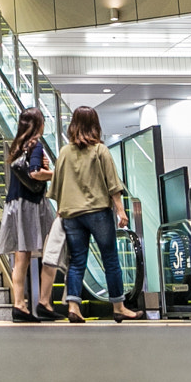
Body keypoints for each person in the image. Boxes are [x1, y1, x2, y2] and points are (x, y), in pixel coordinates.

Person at [51, 106, 134, 324]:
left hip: (71, 214)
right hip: (97, 211)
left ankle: (73, 307)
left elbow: (57, 185)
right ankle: (118, 306)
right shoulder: (100, 150)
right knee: (110, 259)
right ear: (95, 125)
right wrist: (120, 210)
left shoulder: (64, 152)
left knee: (77, 261)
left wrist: (61, 209)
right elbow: (112, 183)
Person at [0, 107, 55, 322]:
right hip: (29, 205)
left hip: (14, 203)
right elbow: (34, 173)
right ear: (39, 124)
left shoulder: (18, 145)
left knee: (20, 257)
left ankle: (19, 303)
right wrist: (54, 173)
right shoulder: (36, 144)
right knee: (28, 255)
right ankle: (26, 304)